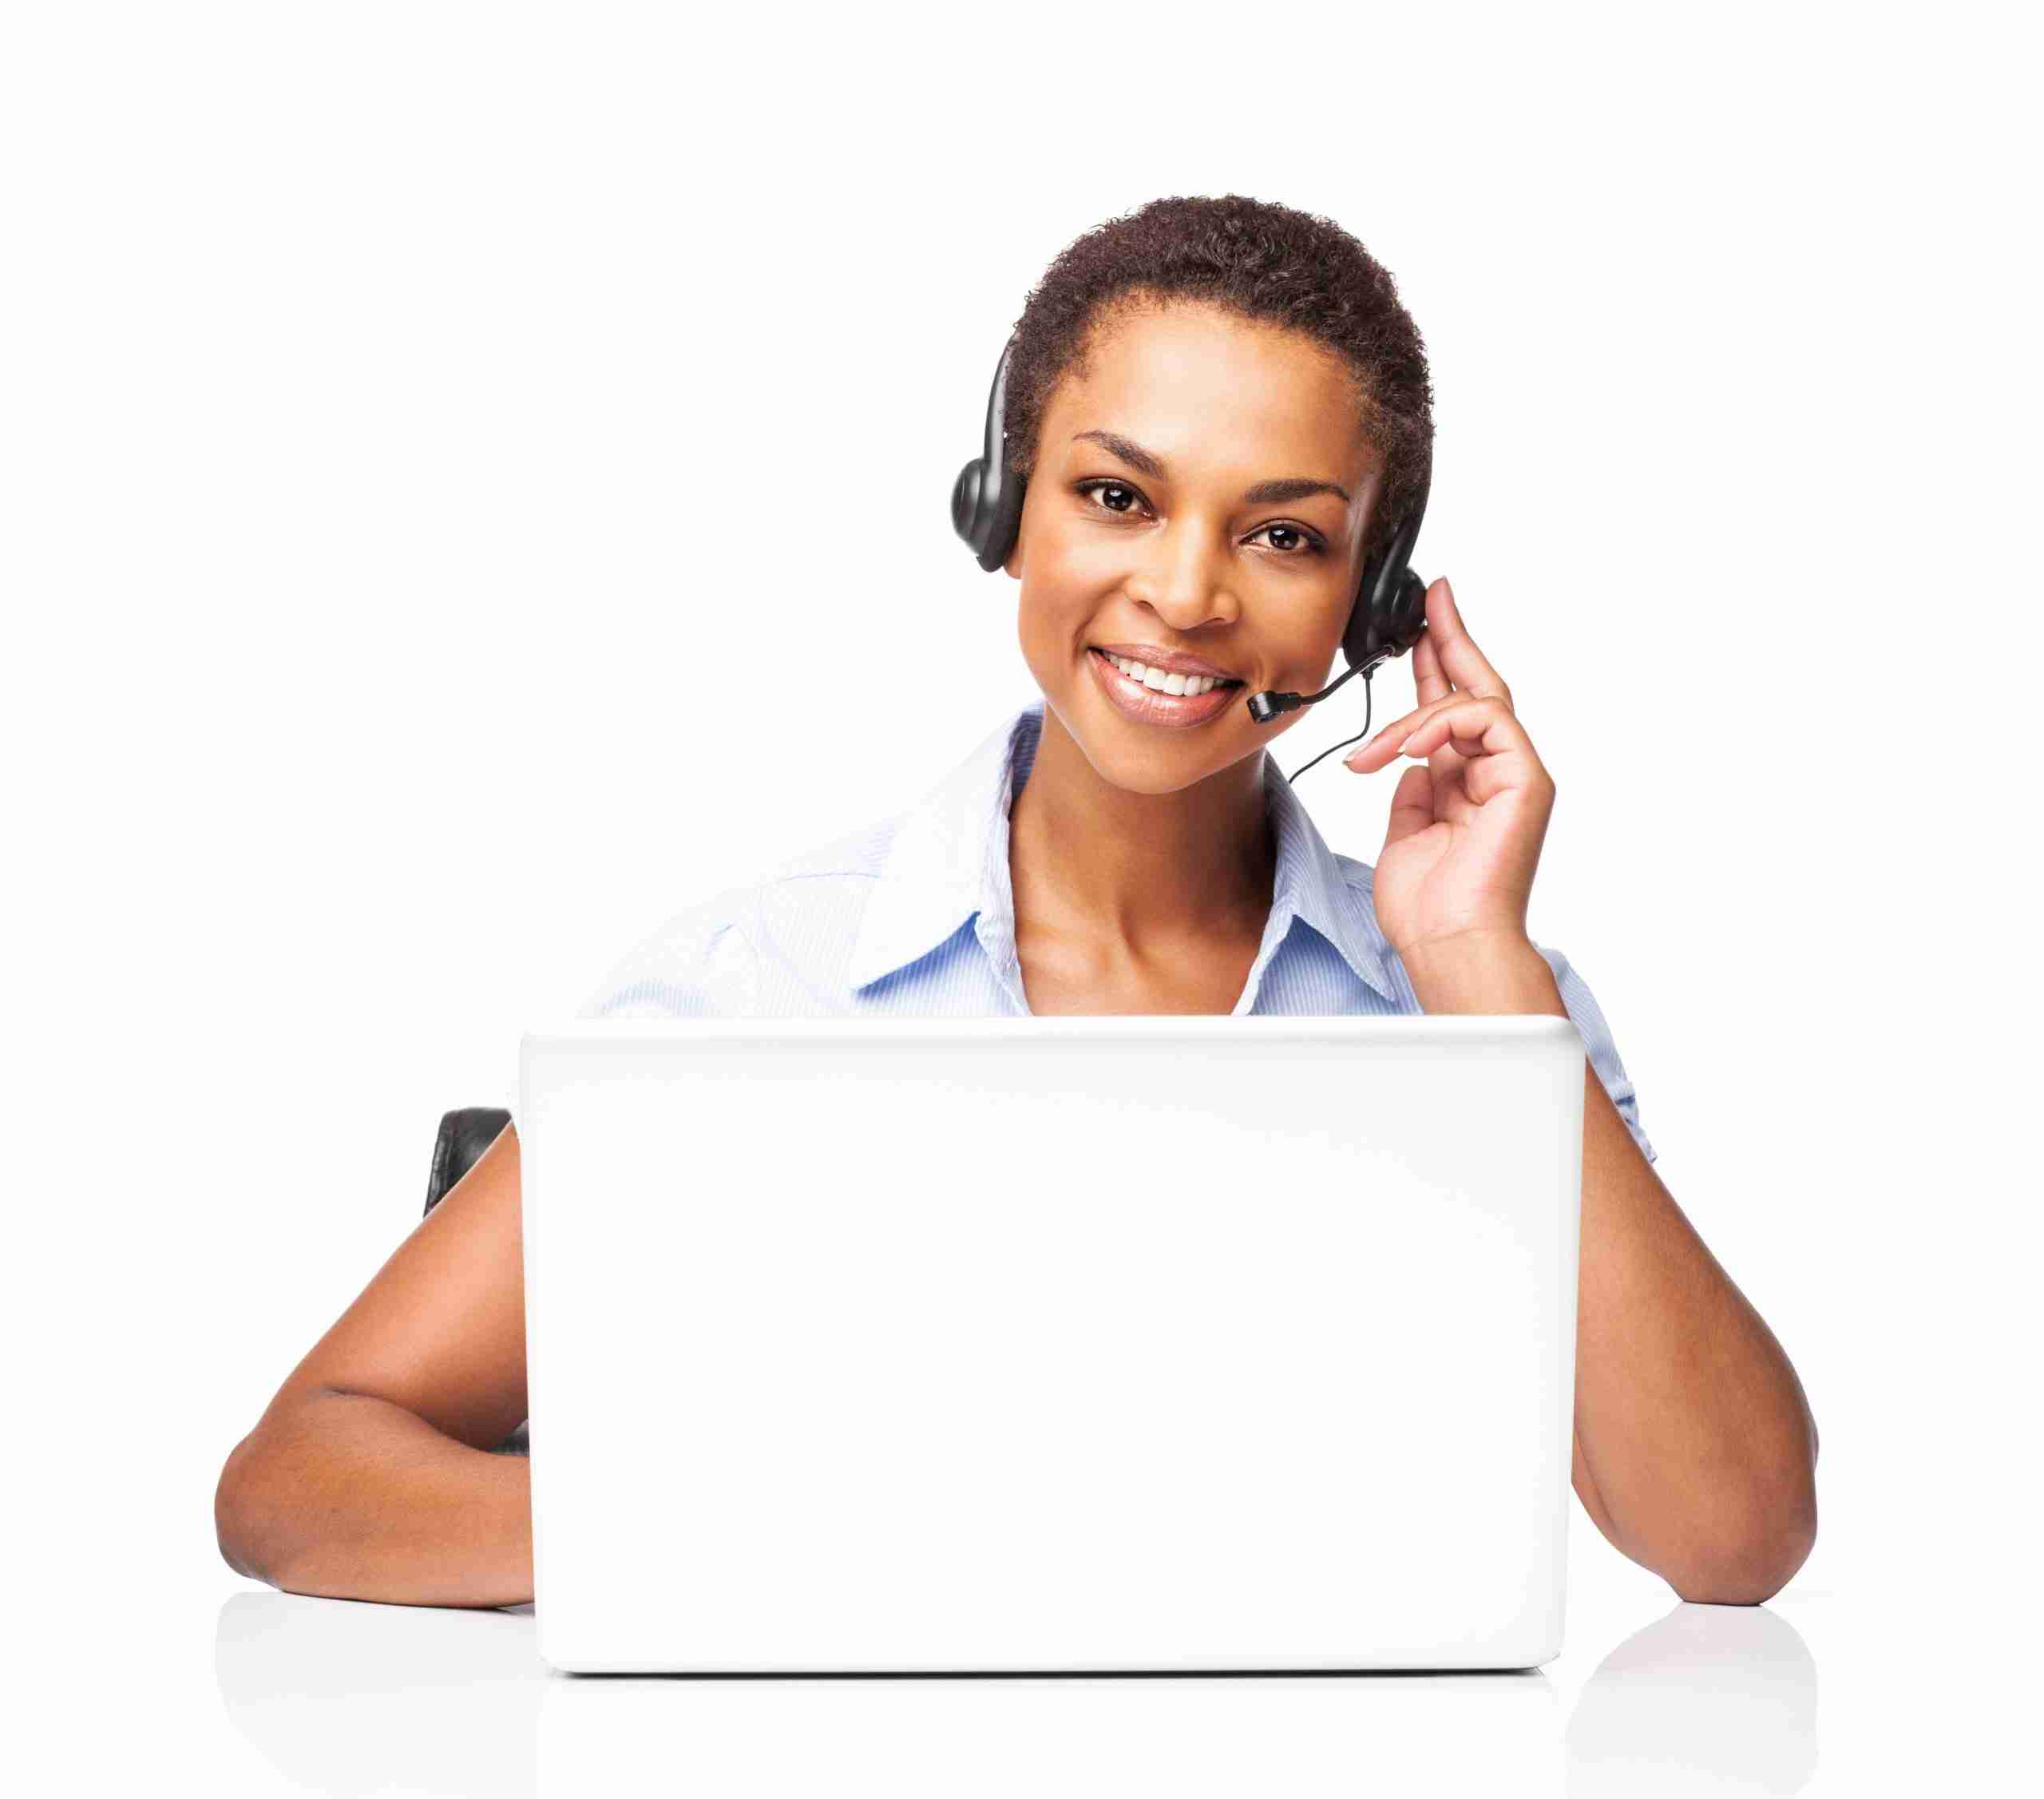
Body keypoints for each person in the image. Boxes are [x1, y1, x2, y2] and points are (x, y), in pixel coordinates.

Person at [215, 194, 1818, 1612]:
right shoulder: (761, 981)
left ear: (1369, 607)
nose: (1185, 592)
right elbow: (298, 1476)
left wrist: (1472, 953)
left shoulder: (1472, 1009)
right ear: (1002, 510)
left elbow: (1727, 1535)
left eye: (1280, 534)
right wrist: (762, 1534)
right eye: (1116, 496)